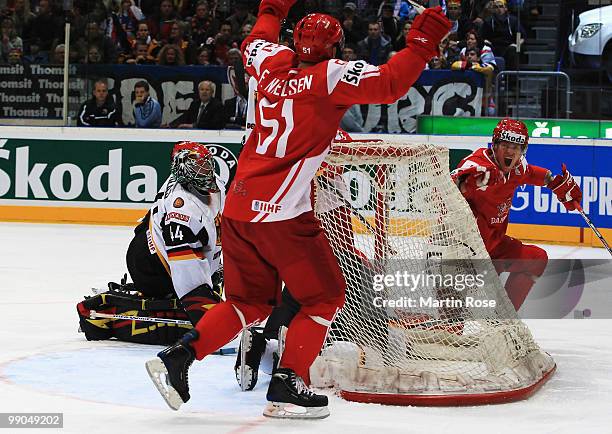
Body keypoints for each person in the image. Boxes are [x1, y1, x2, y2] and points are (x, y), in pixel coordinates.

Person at [145, 0, 450, 419]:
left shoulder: (269, 63)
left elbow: (256, 39)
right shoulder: (332, 75)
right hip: (283, 214)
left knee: (247, 302)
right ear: (335, 47)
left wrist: (273, 6)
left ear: (294, 41)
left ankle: (176, 359)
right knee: (325, 298)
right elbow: (392, 83)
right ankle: (288, 384)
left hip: (238, 208)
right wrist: (423, 39)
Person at [451, 118, 583, 310]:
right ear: (494, 145)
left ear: (523, 150)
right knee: (451, 330)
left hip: (494, 250)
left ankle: (504, 321)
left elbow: (532, 173)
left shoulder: (517, 168)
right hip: (461, 254)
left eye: (516, 146)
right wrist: (468, 183)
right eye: (505, 145)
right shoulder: (477, 163)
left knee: (535, 259)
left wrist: (555, 183)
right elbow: (451, 184)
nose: (510, 151)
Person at [126, 141, 225, 325]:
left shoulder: (209, 183)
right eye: (199, 168)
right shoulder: (181, 211)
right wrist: (212, 321)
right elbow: (190, 282)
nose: (207, 171)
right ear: (183, 170)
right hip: (149, 267)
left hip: (154, 243)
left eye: (207, 165)